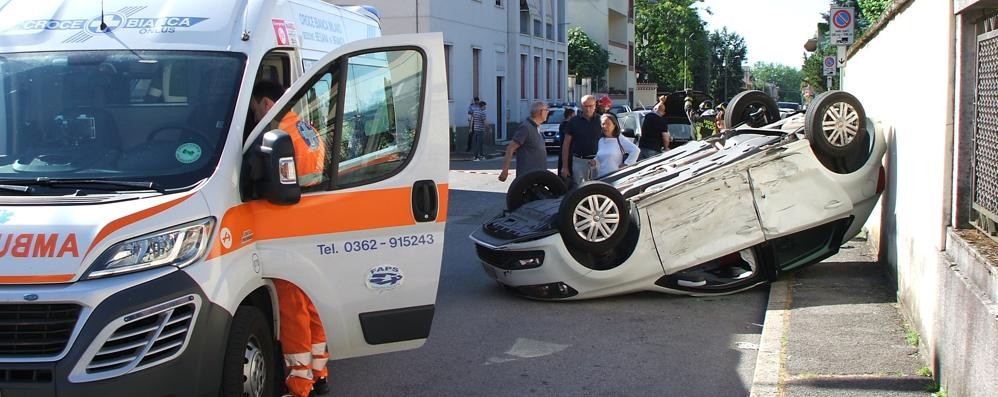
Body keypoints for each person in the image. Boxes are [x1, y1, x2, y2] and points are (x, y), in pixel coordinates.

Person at [249, 81, 330, 397]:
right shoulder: (304, 127)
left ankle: (299, 384)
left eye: (255, 109)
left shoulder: (277, 137)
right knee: (311, 307)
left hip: (289, 233)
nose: (255, 116)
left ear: (267, 103)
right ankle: (319, 371)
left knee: (293, 311)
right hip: (312, 226)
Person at [250, 81, 326, 187]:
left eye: (254, 111)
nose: (255, 119)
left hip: (296, 201)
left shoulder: (275, 137)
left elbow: (255, 176)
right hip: (318, 195)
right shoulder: (310, 129)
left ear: (266, 104)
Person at [498, 101, 549, 182]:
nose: (548, 112)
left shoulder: (537, 127)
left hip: (538, 176)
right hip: (527, 177)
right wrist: (505, 170)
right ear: (540, 112)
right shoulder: (526, 127)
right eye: (546, 110)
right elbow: (510, 148)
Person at [560, 95, 602, 188]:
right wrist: (565, 166)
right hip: (579, 161)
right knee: (579, 190)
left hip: (598, 161)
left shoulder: (601, 121)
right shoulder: (573, 122)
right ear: (581, 106)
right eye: (585, 106)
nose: (588, 109)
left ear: (595, 105)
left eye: (590, 106)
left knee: (598, 189)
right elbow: (566, 145)